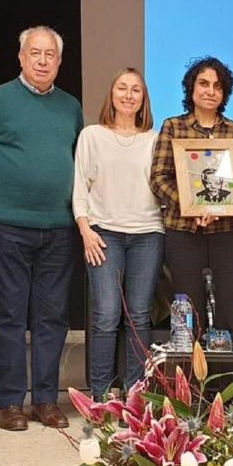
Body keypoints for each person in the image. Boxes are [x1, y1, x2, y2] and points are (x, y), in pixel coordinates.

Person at [0, 25, 83, 431]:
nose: (43, 61)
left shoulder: (71, 108)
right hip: (6, 227)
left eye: (50, 55)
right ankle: (10, 402)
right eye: (35, 53)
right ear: (21, 58)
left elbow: (79, 163)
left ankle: (46, 400)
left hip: (60, 229)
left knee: (51, 317)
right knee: (8, 316)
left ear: (59, 63)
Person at [73, 68, 163, 401]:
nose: (128, 94)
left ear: (144, 99)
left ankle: (135, 392)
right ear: (111, 94)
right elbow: (80, 187)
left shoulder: (155, 139)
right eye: (121, 88)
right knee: (106, 314)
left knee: (139, 315)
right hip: (102, 235)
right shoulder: (91, 135)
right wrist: (85, 229)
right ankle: (99, 394)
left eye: (135, 90)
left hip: (148, 234)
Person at [151, 56, 233, 345]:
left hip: (228, 233)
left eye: (217, 86)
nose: (210, 91)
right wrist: (191, 207)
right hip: (184, 232)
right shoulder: (173, 127)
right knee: (187, 313)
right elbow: (159, 178)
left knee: (230, 311)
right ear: (191, 89)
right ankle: (187, 390)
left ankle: (231, 388)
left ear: (224, 93)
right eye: (204, 84)